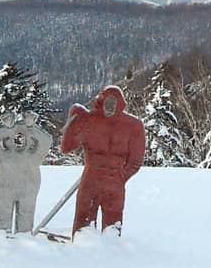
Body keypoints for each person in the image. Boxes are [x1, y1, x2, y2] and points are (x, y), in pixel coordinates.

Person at [60, 85, 146, 234]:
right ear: (101, 101)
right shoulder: (89, 120)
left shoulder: (133, 126)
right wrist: (74, 118)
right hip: (93, 179)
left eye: (113, 102)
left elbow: (136, 161)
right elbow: (67, 147)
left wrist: (120, 177)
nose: (110, 107)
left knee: (112, 230)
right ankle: (82, 252)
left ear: (120, 103)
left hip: (112, 181)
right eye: (107, 102)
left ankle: (107, 252)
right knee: (84, 230)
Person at [0, 111, 50, 235]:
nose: (19, 140)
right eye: (15, 137)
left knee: (25, 224)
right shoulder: (0, 157)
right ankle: (0, 243)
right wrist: (7, 129)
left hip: (27, 190)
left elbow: (46, 141)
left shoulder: (33, 157)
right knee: (2, 225)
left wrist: (31, 128)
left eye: (22, 137)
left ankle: (23, 243)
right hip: (3, 189)